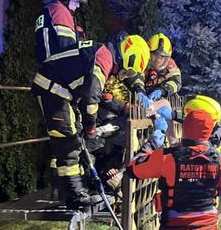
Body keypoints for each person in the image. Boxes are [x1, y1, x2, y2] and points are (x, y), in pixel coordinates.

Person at [31, 29, 150, 208]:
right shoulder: (105, 58)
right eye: (127, 70)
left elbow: (101, 95)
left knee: (76, 140)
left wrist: (123, 108)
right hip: (53, 90)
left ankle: (74, 190)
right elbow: (91, 97)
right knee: (68, 142)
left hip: (62, 91)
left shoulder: (105, 55)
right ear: (129, 56)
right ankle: (75, 197)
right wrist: (91, 125)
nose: (124, 74)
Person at [127, 98, 221, 230]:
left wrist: (153, 144)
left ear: (184, 127)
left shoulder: (166, 157)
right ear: (209, 131)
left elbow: (133, 169)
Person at [35, 0, 89, 64]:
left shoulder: (49, 10)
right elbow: (68, 50)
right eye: (76, 1)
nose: (78, 6)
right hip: (58, 73)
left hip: (47, 69)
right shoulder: (60, 11)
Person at [144, 33, 182, 101]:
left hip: (161, 94)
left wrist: (162, 90)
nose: (158, 60)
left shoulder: (170, 64)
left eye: (162, 57)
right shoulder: (142, 61)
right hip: (140, 94)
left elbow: (176, 82)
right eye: (155, 55)